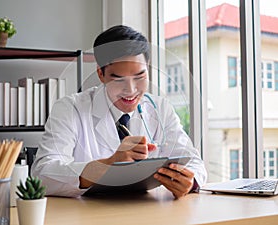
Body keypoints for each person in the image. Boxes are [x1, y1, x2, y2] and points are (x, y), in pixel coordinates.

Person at [31, 25, 207, 198]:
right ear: (101, 74)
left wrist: (189, 182)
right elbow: (43, 174)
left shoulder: (160, 108)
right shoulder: (70, 109)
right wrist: (109, 164)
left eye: (140, 77)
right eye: (119, 79)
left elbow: (194, 162)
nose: (130, 90)